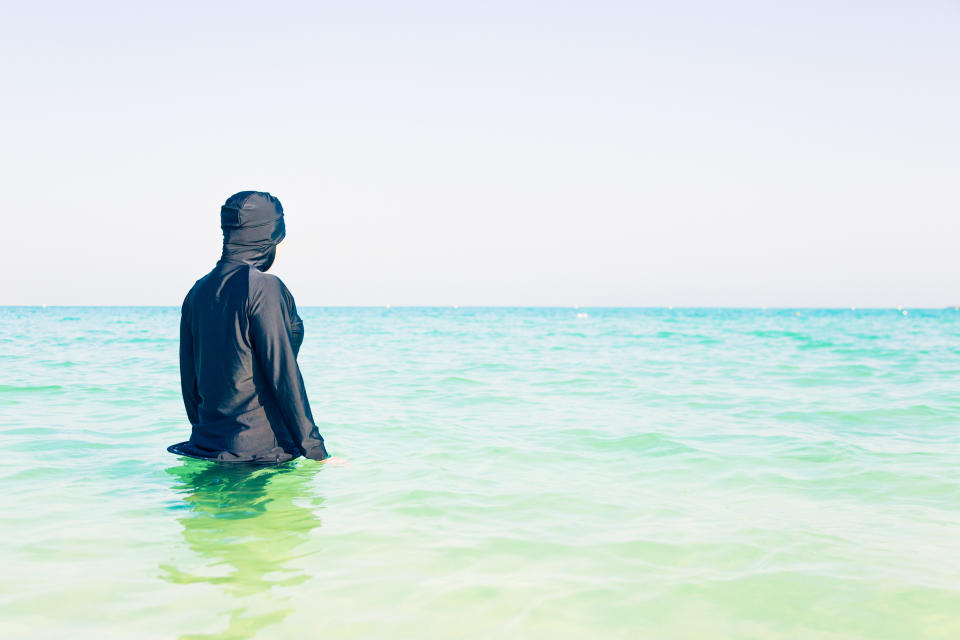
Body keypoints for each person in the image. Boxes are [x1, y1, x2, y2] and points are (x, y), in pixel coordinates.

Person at [168, 191, 331, 464]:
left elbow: (189, 379)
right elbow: (283, 374)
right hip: (262, 454)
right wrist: (316, 452)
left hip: (206, 448)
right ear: (267, 237)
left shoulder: (197, 291)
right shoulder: (265, 288)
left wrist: (206, 433)